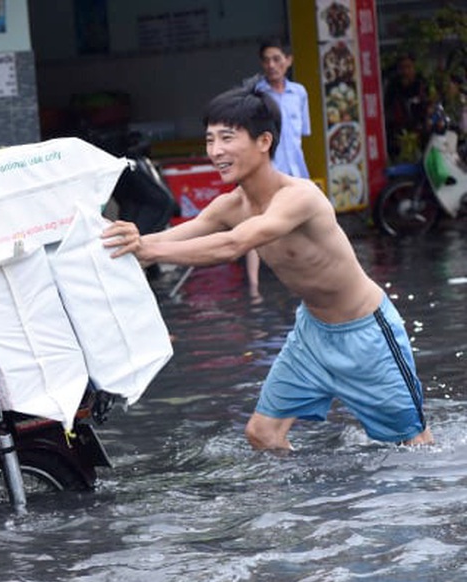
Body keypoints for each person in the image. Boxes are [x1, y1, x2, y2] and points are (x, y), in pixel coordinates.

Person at [102, 86, 434, 450]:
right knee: (262, 434)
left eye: (227, 138)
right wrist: (129, 243)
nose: (216, 151)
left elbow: (234, 245)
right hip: (312, 335)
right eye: (210, 139)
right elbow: (171, 238)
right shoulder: (231, 206)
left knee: (413, 446)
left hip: (367, 334)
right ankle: (316, 501)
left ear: (264, 141)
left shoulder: (299, 197)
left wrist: (147, 247)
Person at [248, 39, 311, 301]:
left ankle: (303, 279)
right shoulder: (257, 94)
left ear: (288, 60)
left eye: (277, 59)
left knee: (300, 225)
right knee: (255, 221)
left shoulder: (299, 93)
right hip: (267, 169)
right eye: (267, 60)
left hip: (295, 170)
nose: (272, 65)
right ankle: (253, 287)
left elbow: (302, 133)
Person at [383, 54, 430, 162]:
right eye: (402, 68)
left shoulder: (421, 83)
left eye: (408, 67)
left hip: (419, 129)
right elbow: (388, 107)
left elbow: (428, 104)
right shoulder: (393, 85)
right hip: (399, 131)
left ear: (413, 67)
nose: (406, 71)